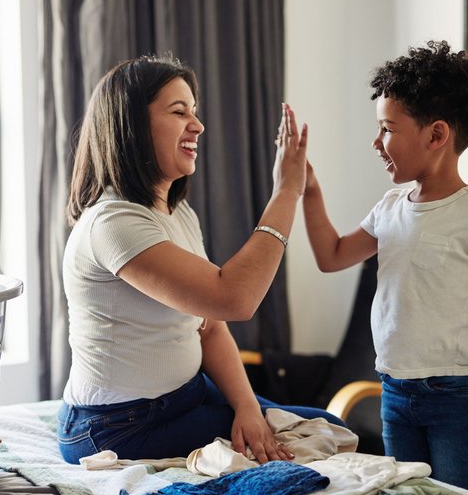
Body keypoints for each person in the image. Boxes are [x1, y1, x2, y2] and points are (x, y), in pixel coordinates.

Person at [57, 54, 344, 466]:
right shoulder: (113, 222)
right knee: (316, 443)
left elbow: (209, 326)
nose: (198, 125)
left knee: (327, 427)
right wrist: (286, 193)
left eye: (195, 111)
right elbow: (234, 298)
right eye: (179, 112)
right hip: (119, 426)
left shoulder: (178, 214)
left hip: (186, 395)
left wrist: (247, 407)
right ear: (132, 126)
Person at [302, 40, 468, 494]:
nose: (376, 142)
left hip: (460, 396)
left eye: (387, 129)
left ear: (436, 135)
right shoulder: (389, 208)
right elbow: (331, 256)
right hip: (395, 391)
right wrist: (307, 190)